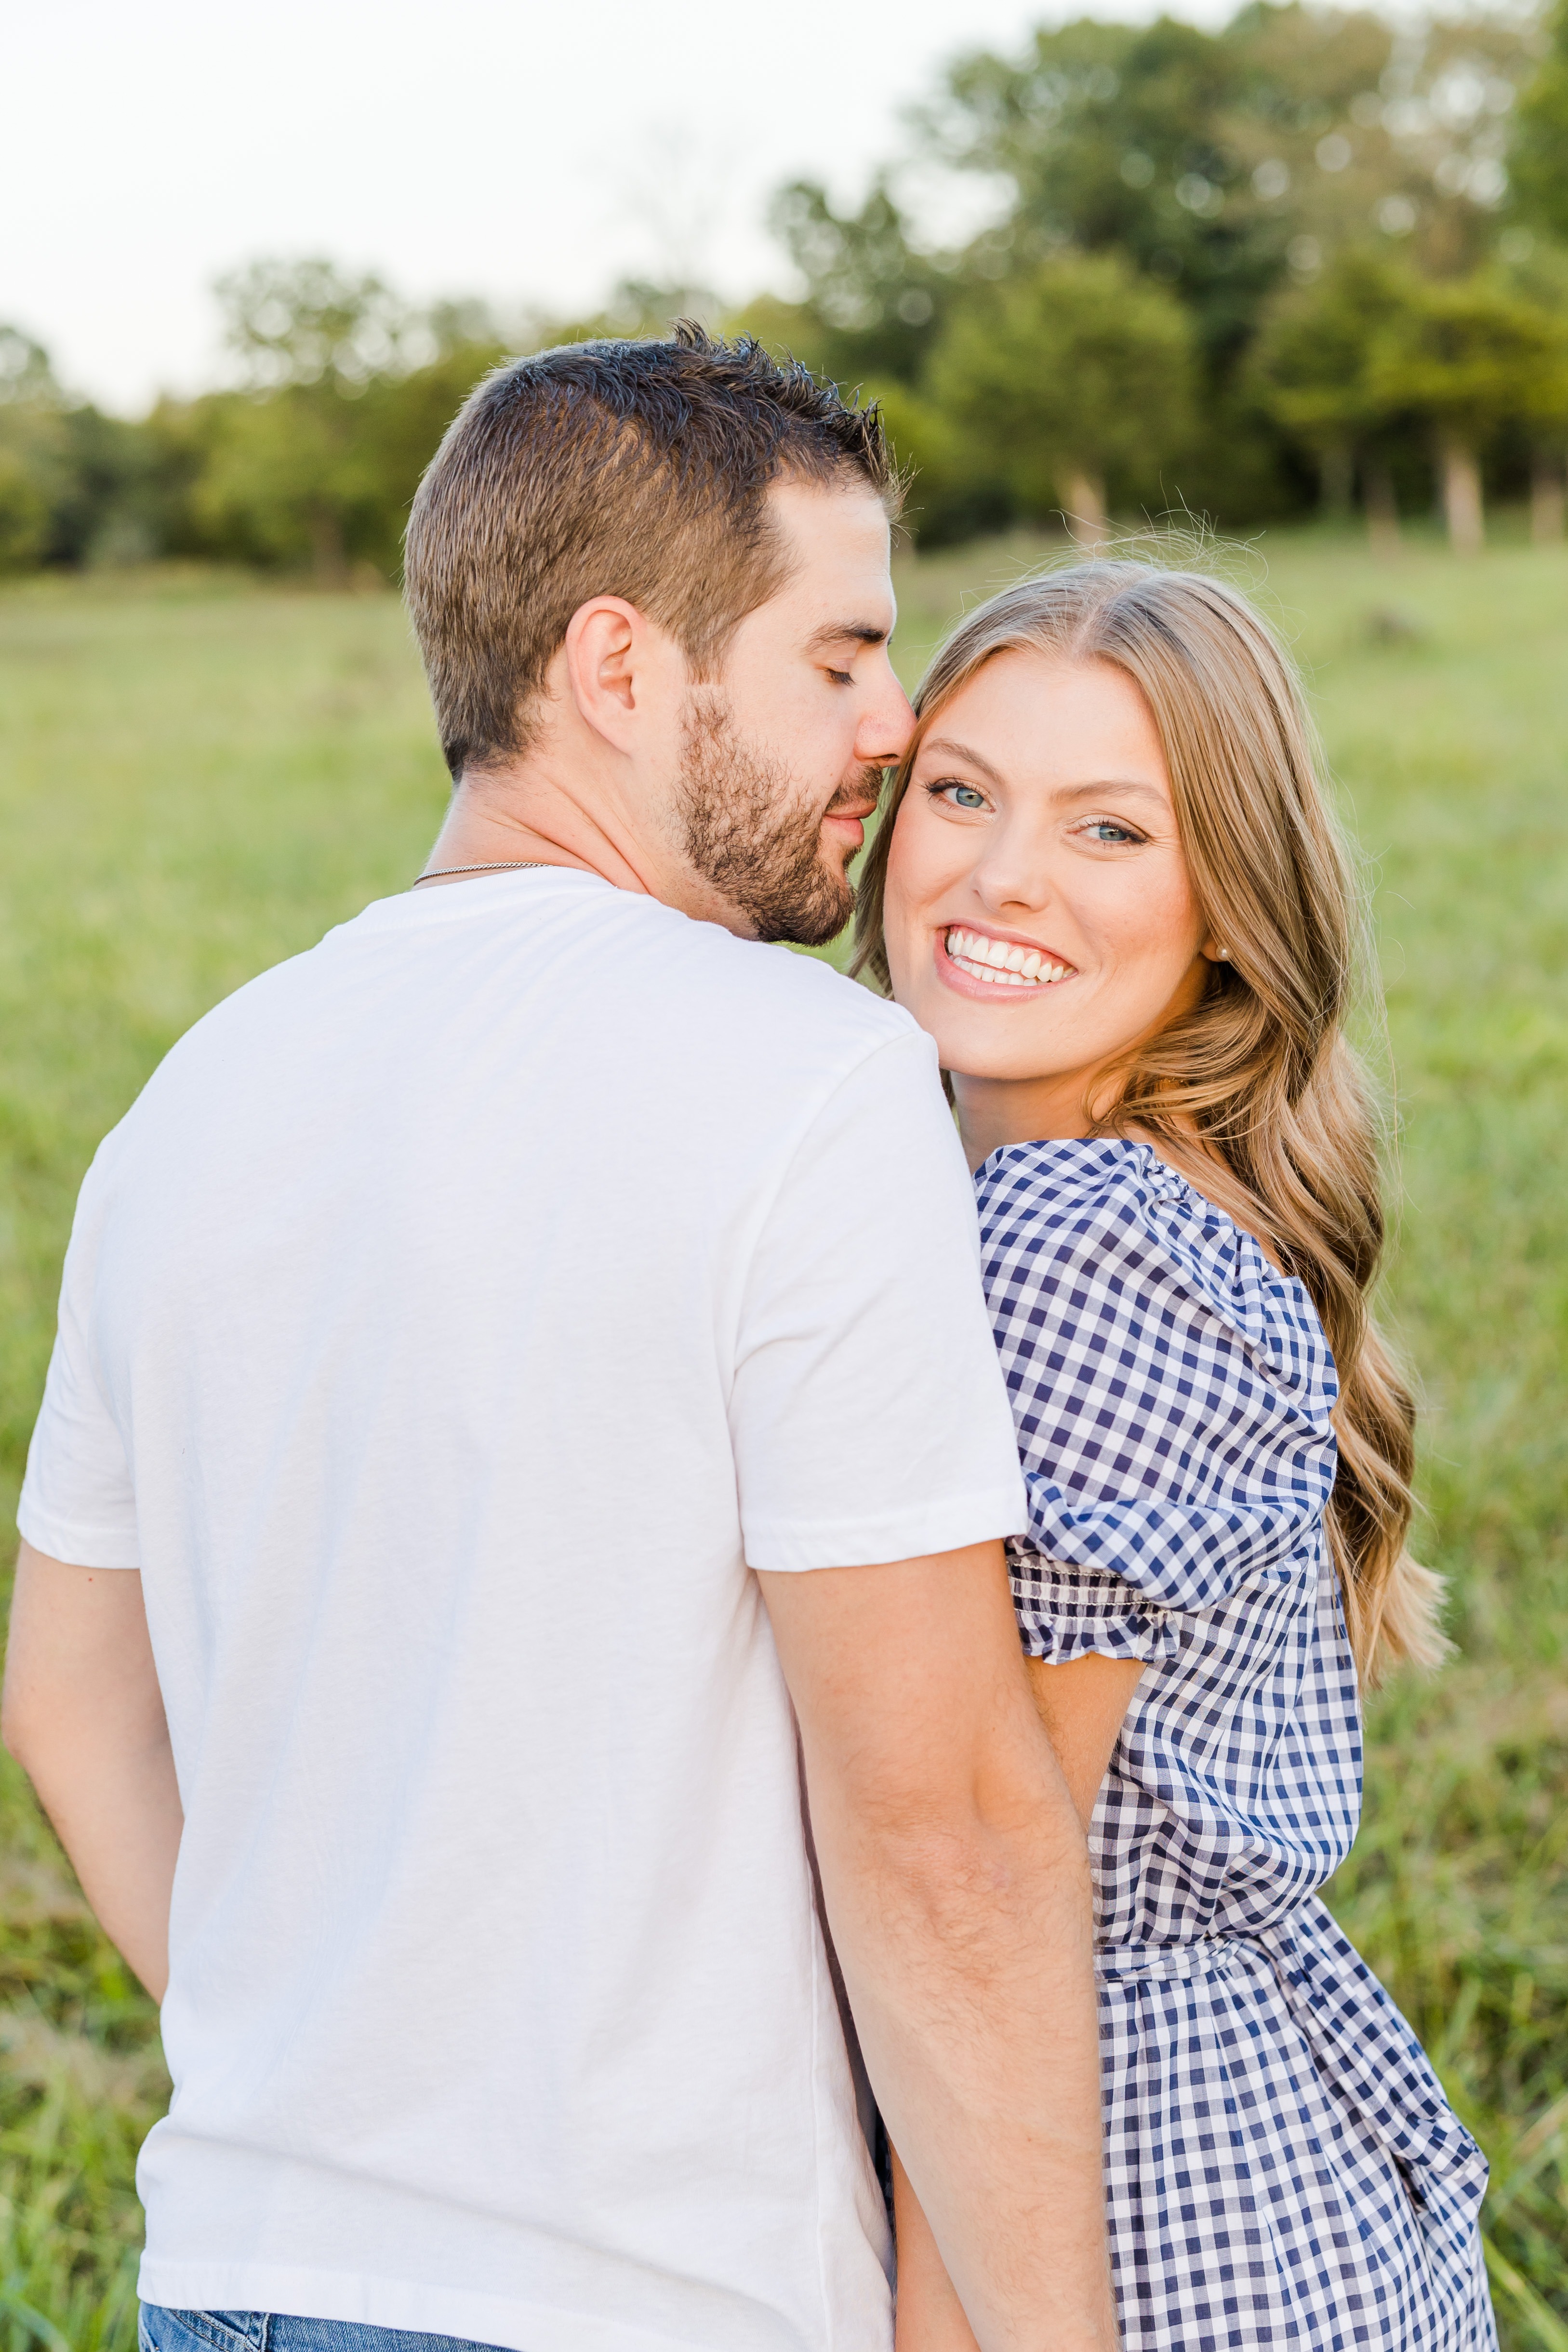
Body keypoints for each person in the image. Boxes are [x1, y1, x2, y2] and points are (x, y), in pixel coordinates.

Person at [1, 333, 1117, 2352]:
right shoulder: (813, 1080)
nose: (896, 720)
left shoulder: (194, 1101)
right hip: (639, 2300)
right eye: (841, 653)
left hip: (236, 2280)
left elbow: (69, 1709)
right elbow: (942, 1822)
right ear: (619, 670)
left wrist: (344, 2107)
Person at [855, 560, 1498, 2352]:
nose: (1002, 877)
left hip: (1106, 2180)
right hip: (1182, 2122)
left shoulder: (1082, 1241)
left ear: (1229, 904)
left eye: (1111, 830)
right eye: (962, 791)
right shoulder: (982, 1187)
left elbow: (989, 1891)